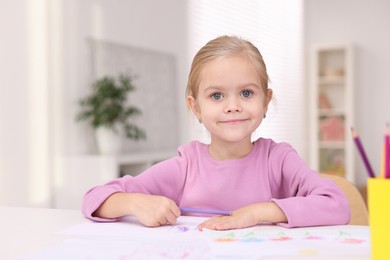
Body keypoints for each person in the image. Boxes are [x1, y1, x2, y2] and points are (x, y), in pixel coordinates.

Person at [82, 35, 350, 230]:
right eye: (217, 95)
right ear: (195, 107)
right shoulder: (186, 166)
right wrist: (134, 203)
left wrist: (260, 212)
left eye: (246, 93)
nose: (233, 106)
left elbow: (337, 204)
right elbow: (93, 199)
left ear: (265, 100)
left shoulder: (278, 160)